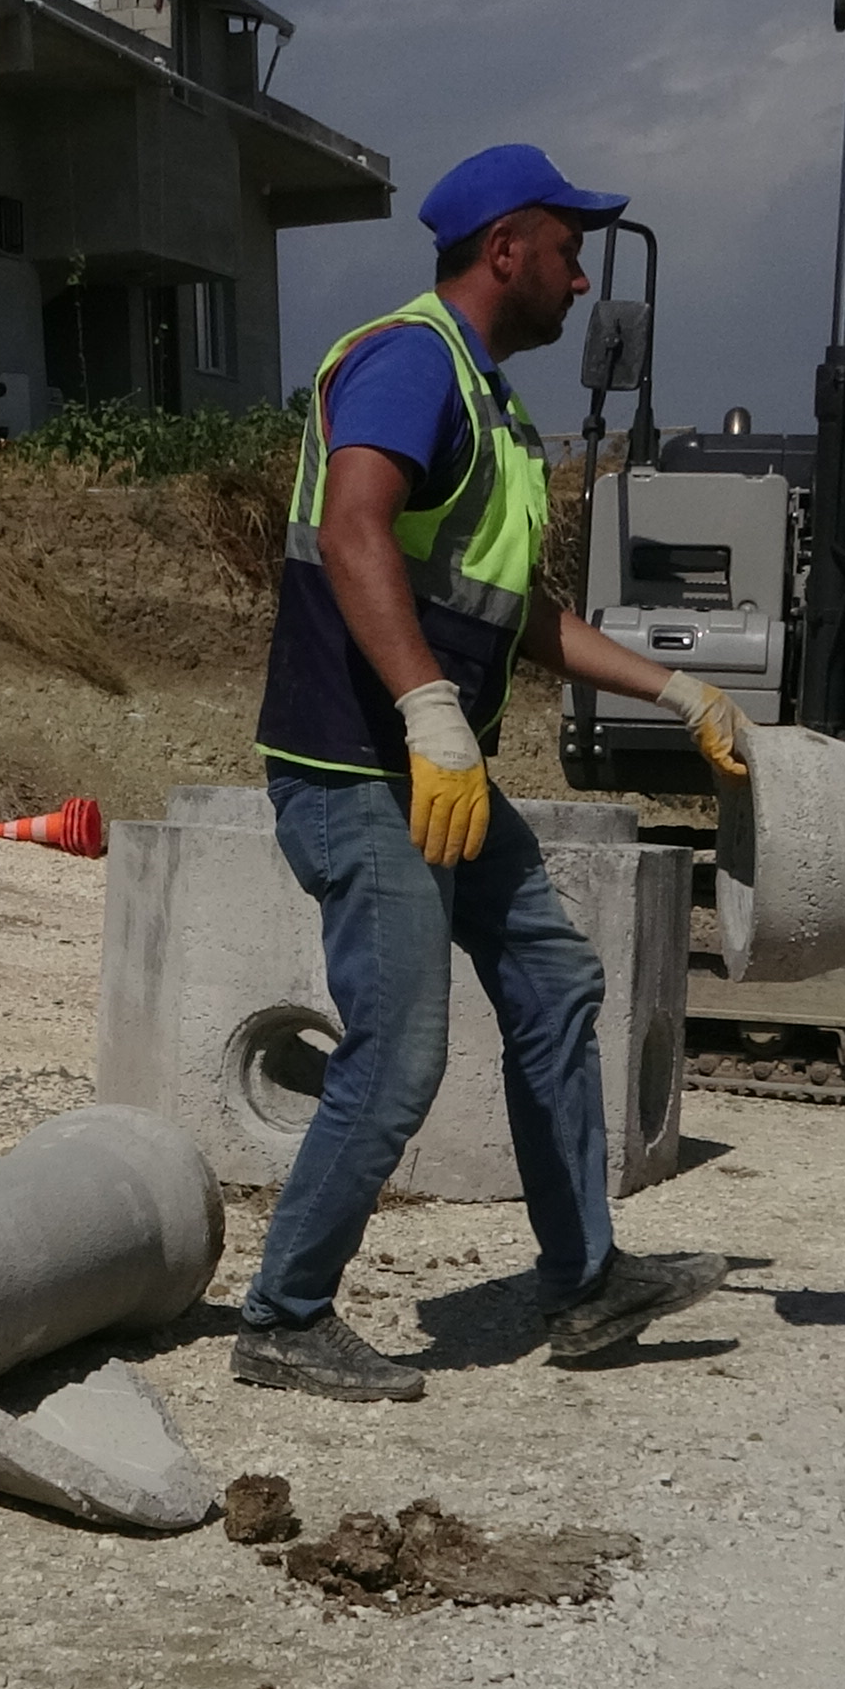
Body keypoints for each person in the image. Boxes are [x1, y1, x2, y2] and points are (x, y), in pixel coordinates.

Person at [230, 143, 757, 1403]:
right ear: (508, 246)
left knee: (554, 981)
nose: (582, 284)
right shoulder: (412, 360)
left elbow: (517, 616)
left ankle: (586, 1284)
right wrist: (427, 711)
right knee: (402, 1053)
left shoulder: (490, 404)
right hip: (360, 771)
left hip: (429, 776)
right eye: (571, 254)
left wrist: (677, 693)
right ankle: (284, 1315)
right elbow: (355, 525)